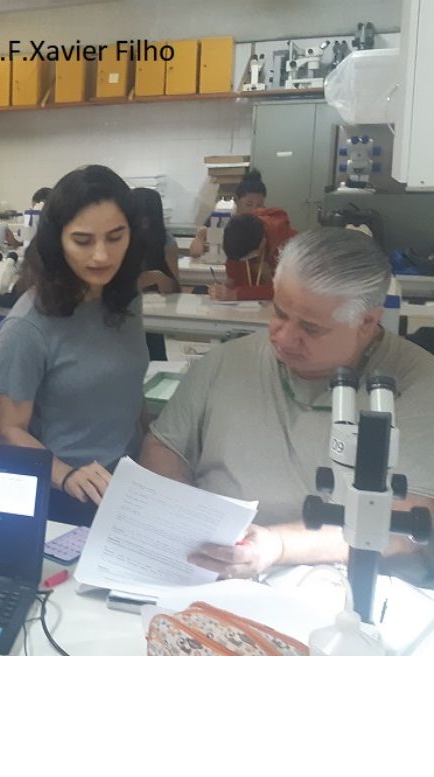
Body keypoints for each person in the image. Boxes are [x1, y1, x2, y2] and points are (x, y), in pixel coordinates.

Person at [141, 228, 434, 582]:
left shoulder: (418, 382)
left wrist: (275, 546)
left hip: (343, 582)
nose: (284, 337)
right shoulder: (228, 361)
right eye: (279, 313)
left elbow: (408, 522)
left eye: (311, 328)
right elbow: (165, 446)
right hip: (214, 571)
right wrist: (188, 516)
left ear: (367, 323)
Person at [0, 165, 148, 506]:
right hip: (65, 492)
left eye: (115, 237)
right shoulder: (28, 327)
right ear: (57, 240)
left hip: (126, 484)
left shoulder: (126, 299)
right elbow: (9, 430)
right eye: (82, 240)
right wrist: (67, 476)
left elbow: (128, 389)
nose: (101, 255)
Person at [208, 208, 296, 301]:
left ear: (262, 243)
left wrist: (236, 294)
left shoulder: (287, 243)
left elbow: (283, 289)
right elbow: (233, 273)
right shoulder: (238, 231)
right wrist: (227, 286)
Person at [189, 169, 266, 258]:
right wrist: (200, 237)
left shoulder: (265, 222)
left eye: (259, 205)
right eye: (249, 204)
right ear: (237, 201)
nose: (254, 210)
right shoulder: (221, 217)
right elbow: (195, 253)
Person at [132, 187, 180, 295]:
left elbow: (176, 289)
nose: (143, 225)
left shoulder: (166, 240)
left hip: (158, 302)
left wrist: (161, 278)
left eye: (146, 221)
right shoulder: (122, 239)